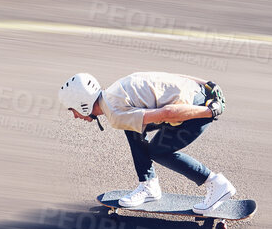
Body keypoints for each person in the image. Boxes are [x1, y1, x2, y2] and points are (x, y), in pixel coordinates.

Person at [57, 71, 238, 212]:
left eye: (72, 109)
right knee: (132, 126)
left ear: (83, 103)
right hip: (198, 94)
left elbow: (168, 113)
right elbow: (169, 76)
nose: (74, 116)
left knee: (158, 152)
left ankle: (216, 184)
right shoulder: (116, 89)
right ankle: (149, 186)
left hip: (192, 110)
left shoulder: (115, 114)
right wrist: (206, 84)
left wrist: (211, 111)